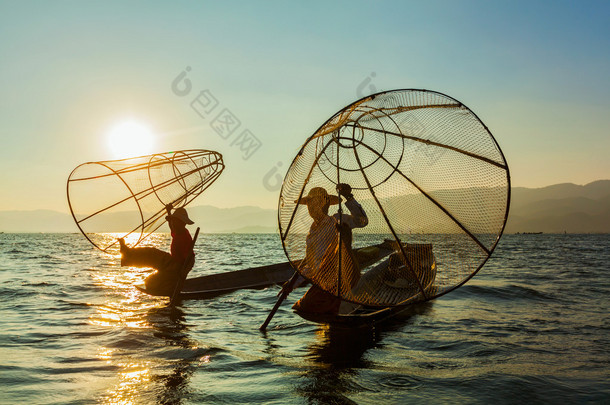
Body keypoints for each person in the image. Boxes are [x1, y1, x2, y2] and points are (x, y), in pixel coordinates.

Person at [288, 183, 368, 315]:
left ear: (325, 205)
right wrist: (292, 284)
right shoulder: (311, 233)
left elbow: (362, 221)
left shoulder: (337, 220)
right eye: (309, 204)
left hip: (342, 279)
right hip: (324, 283)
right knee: (301, 308)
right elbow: (310, 264)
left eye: (316, 203)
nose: (312, 208)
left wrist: (349, 197)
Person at [119, 203, 195, 296]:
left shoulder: (184, 237)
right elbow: (171, 225)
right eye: (173, 221)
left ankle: (170, 285)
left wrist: (181, 274)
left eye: (175, 221)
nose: (173, 223)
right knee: (151, 254)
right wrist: (169, 211)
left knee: (151, 281)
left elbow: (190, 260)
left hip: (176, 267)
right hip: (171, 262)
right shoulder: (177, 230)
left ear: (182, 223)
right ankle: (127, 254)